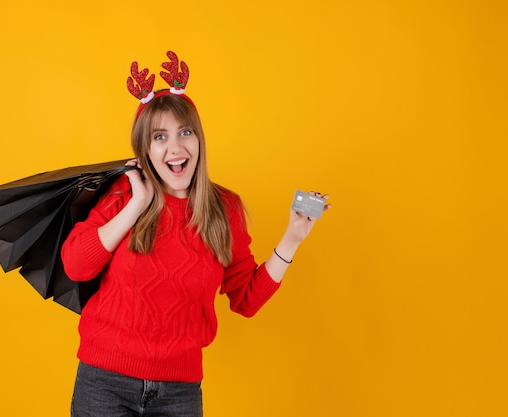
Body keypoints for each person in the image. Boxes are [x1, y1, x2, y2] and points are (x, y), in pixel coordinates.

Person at [61, 51, 330, 417]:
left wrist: (293, 237)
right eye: (160, 137)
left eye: (184, 132)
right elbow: (77, 265)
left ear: (199, 139)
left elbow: (246, 300)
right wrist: (137, 203)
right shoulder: (123, 196)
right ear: (145, 150)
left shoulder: (226, 209)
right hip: (104, 383)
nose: (175, 147)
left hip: (179, 393)